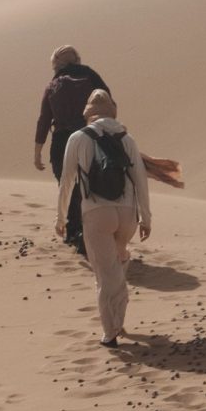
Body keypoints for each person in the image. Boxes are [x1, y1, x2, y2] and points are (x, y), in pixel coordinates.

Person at [56, 89, 152, 346]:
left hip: (97, 212)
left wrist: (61, 216)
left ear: (89, 113)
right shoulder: (126, 138)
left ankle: (110, 332)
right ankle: (118, 316)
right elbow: (141, 180)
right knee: (119, 259)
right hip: (128, 213)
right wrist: (146, 217)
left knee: (105, 273)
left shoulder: (78, 138)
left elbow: (67, 180)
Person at [34, 46, 111, 251]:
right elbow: (108, 101)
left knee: (67, 186)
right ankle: (91, 231)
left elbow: (43, 120)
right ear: (76, 60)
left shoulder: (53, 85)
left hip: (61, 143)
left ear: (56, 65)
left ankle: (74, 231)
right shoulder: (90, 76)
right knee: (91, 186)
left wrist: (37, 152)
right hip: (90, 138)